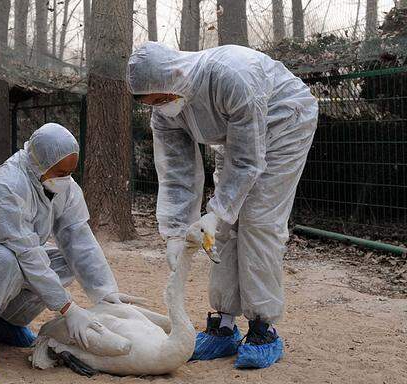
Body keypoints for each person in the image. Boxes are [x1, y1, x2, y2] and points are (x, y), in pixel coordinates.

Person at [126, 42, 318, 369]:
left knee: (258, 220)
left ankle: (263, 328)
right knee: (223, 230)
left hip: (285, 119)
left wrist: (215, 213)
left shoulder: (231, 76)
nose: (159, 107)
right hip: (237, 136)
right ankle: (223, 324)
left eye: (159, 99)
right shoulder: (165, 113)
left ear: (175, 74)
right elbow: (176, 174)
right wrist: (176, 234)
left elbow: (247, 162)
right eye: (150, 103)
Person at [0, 123, 140, 373]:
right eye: (60, 171)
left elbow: (79, 239)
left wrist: (106, 292)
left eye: (71, 171)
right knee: (4, 260)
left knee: (63, 261)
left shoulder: (64, 187)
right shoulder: (6, 186)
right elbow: (26, 253)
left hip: (10, 251)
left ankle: (8, 323)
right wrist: (68, 308)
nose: (66, 178)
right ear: (40, 161)